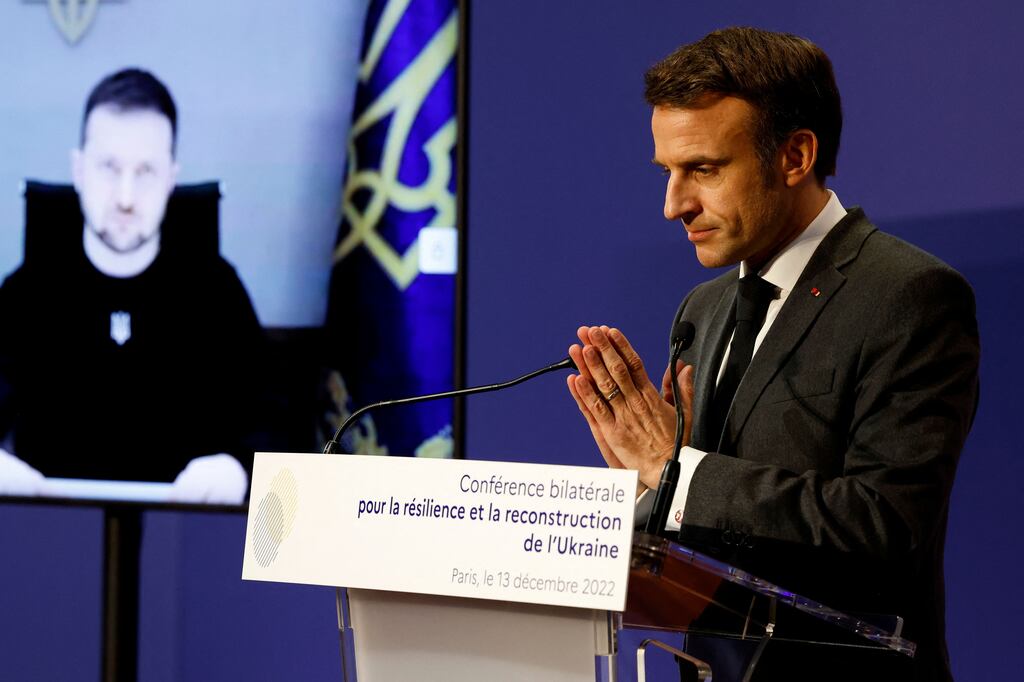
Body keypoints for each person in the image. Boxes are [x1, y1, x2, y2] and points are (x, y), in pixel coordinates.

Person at [566, 28, 979, 681]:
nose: (674, 205)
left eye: (704, 169)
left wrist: (677, 470)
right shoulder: (704, 308)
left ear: (794, 156)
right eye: (668, 172)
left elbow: (886, 525)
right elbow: (703, 526)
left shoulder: (909, 296)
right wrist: (650, 492)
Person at [0, 68, 265, 504]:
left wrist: (239, 466)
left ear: (171, 179)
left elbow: (270, 421)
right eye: (109, 168)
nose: (125, 197)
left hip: (185, 535)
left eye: (146, 172)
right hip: (53, 534)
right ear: (79, 170)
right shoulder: (27, 292)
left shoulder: (217, 292)